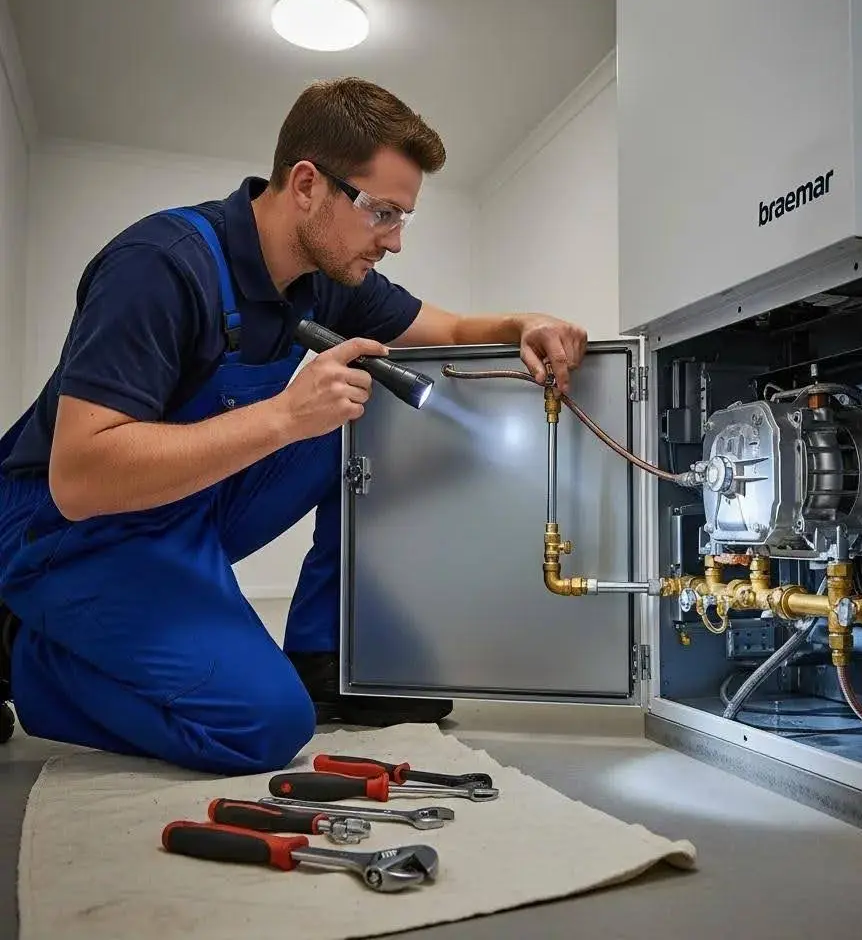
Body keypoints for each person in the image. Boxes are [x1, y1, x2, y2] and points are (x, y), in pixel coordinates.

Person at [0, 77, 587, 774]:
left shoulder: (325, 276)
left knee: (365, 414)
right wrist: (282, 416)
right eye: (382, 213)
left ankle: (323, 652)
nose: (395, 241)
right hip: (69, 531)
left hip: (183, 509)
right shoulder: (159, 268)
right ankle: (22, 646)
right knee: (264, 726)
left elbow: (452, 327)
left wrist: (526, 322)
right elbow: (80, 475)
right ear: (307, 184)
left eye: (405, 218)